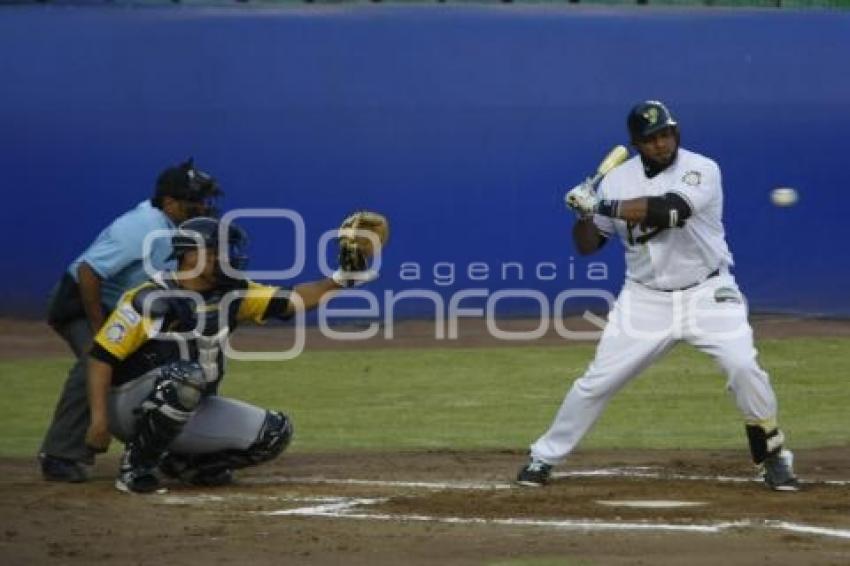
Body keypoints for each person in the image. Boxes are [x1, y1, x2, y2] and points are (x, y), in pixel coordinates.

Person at [516, 100, 799, 491]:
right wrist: (583, 215)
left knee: (742, 366)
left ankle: (773, 457)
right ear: (636, 144)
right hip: (645, 299)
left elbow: (670, 211)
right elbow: (588, 245)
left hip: (708, 290)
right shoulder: (616, 180)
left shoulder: (701, 168)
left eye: (666, 134)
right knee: (597, 382)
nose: (662, 144)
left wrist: (599, 203)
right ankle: (543, 457)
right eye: (651, 139)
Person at [83, 213, 386, 493]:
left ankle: (186, 464)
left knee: (274, 432)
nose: (226, 258)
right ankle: (135, 469)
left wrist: (342, 278)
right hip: (129, 406)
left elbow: (294, 299)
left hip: (190, 400)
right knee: (186, 378)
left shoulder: (232, 293)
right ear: (190, 256)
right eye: (217, 251)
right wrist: (99, 422)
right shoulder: (151, 298)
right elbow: (100, 358)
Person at [39, 159, 222, 482]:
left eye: (206, 201)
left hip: (126, 306)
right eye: (196, 201)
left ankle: (169, 452)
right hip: (80, 303)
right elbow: (88, 272)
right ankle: (60, 454)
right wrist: (100, 330)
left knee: (173, 363)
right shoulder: (143, 227)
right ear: (170, 203)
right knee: (96, 361)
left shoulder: (179, 230)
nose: (204, 208)